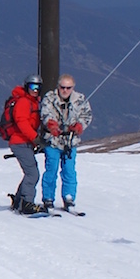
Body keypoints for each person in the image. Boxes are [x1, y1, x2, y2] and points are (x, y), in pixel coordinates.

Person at [40, 74, 92, 212]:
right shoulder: (50, 98)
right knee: (51, 170)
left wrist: (79, 126)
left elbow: (86, 115)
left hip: (70, 141)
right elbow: (45, 113)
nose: (65, 90)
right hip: (53, 140)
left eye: (68, 88)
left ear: (73, 88)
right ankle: (48, 198)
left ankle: (69, 197)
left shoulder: (80, 99)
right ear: (58, 86)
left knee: (69, 170)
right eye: (62, 87)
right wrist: (51, 125)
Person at [1, 73, 43, 213]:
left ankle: (19, 201)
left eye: (38, 87)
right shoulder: (24, 102)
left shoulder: (33, 101)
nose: (35, 90)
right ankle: (27, 204)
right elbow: (22, 122)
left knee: (30, 172)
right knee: (32, 173)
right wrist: (35, 138)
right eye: (32, 86)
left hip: (25, 142)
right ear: (26, 87)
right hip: (20, 142)